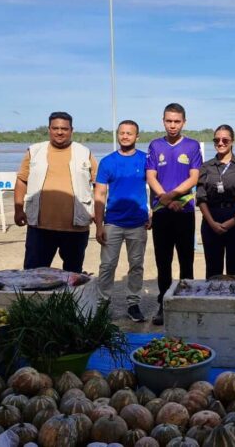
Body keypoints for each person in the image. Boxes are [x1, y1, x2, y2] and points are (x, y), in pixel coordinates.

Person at [14, 111, 97, 273]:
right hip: (39, 227)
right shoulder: (34, 151)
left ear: (71, 130)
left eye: (64, 129)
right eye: (55, 128)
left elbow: (99, 186)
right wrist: (18, 209)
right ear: (49, 129)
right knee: (34, 274)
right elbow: (22, 180)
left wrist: (98, 214)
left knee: (73, 275)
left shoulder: (84, 153)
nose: (59, 132)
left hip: (76, 228)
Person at [146, 103, 202, 325]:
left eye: (177, 121)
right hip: (161, 211)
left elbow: (194, 177)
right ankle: (164, 304)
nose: (172, 125)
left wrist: (173, 196)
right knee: (163, 262)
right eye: (168, 121)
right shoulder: (155, 145)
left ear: (184, 122)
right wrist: (165, 199)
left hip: (184, 210)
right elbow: (151, 176)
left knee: (186, 260)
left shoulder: (192, 145)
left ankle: (186, 303)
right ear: (163, 121)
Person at [94, 120, 151, 322]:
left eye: (129, 133)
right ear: (118, 135)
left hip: (138, 222)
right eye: (122, 133)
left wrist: (152, 212)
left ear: (137, 136)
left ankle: (133, 304)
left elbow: (154, 187)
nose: (125, 136)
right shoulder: (107, 162)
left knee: (136, 265)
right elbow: (100, 194)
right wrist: (99, 225)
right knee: (107, 265)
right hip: (113, 222)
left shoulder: (146, 160)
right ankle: (102, 304)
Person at [196, 124, 235, 278]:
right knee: (213, 271)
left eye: (225, 140)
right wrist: (211, 223)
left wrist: (234, 220)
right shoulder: (206, 167)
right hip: (211, 219)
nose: (220, 143)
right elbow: (201, 197)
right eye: (216, 140)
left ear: (232, 141)